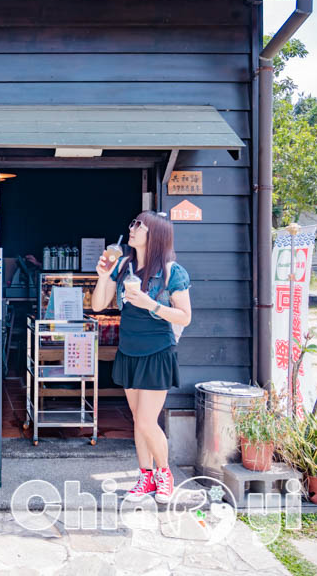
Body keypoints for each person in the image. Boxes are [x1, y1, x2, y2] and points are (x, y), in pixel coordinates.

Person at [91, 211, 192, 504]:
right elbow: (98, 305)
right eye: (132, 223)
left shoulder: (173, 271)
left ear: (155, 234)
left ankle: (164, 475)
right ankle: (145, 477)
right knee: (138, 420)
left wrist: (151, 305)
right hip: (129, 350)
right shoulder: (123, 266)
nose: (131, 228)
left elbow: (185, 316)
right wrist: (103, 277)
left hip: (157, 352)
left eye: (139, 225)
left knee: (148, 421)